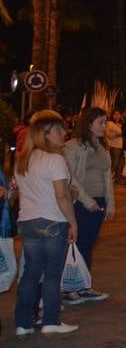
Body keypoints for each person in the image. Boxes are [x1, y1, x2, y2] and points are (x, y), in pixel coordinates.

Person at [12, 109, 80, 336]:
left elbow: (26, 191)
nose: (63, 133)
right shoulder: (55, 160)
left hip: (28, 221)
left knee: (30, 273)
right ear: (45, 134)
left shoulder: (23, 160)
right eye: (58, 130)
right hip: (52, 220)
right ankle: (51, 319)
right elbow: (61, 196)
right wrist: (73, 222)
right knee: (52, 274)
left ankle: (23, 322)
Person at [61, 106, 114, 305]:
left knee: (88, 244)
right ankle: (72, 288)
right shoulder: (73, 146)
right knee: (78, 244)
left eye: (105, 122)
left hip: (98, 201)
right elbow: (70, 177)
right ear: (89, 124)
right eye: (100, 122)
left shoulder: (101, 147)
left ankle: (83, 285)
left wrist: (110, 203)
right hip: (81, 203)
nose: (104, 126)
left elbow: (107, 176)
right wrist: (87, 200)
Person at [105, 111, 124, 187]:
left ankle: (116, 178)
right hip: (113, 144)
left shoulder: (121, 124)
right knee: (114, 162)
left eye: (118, 114)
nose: (117, 116)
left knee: (119, 162)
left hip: (120, 144)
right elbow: (108, 134)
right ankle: (110, 177)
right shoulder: (109, 123)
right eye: (115, 114)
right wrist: (118, 134)